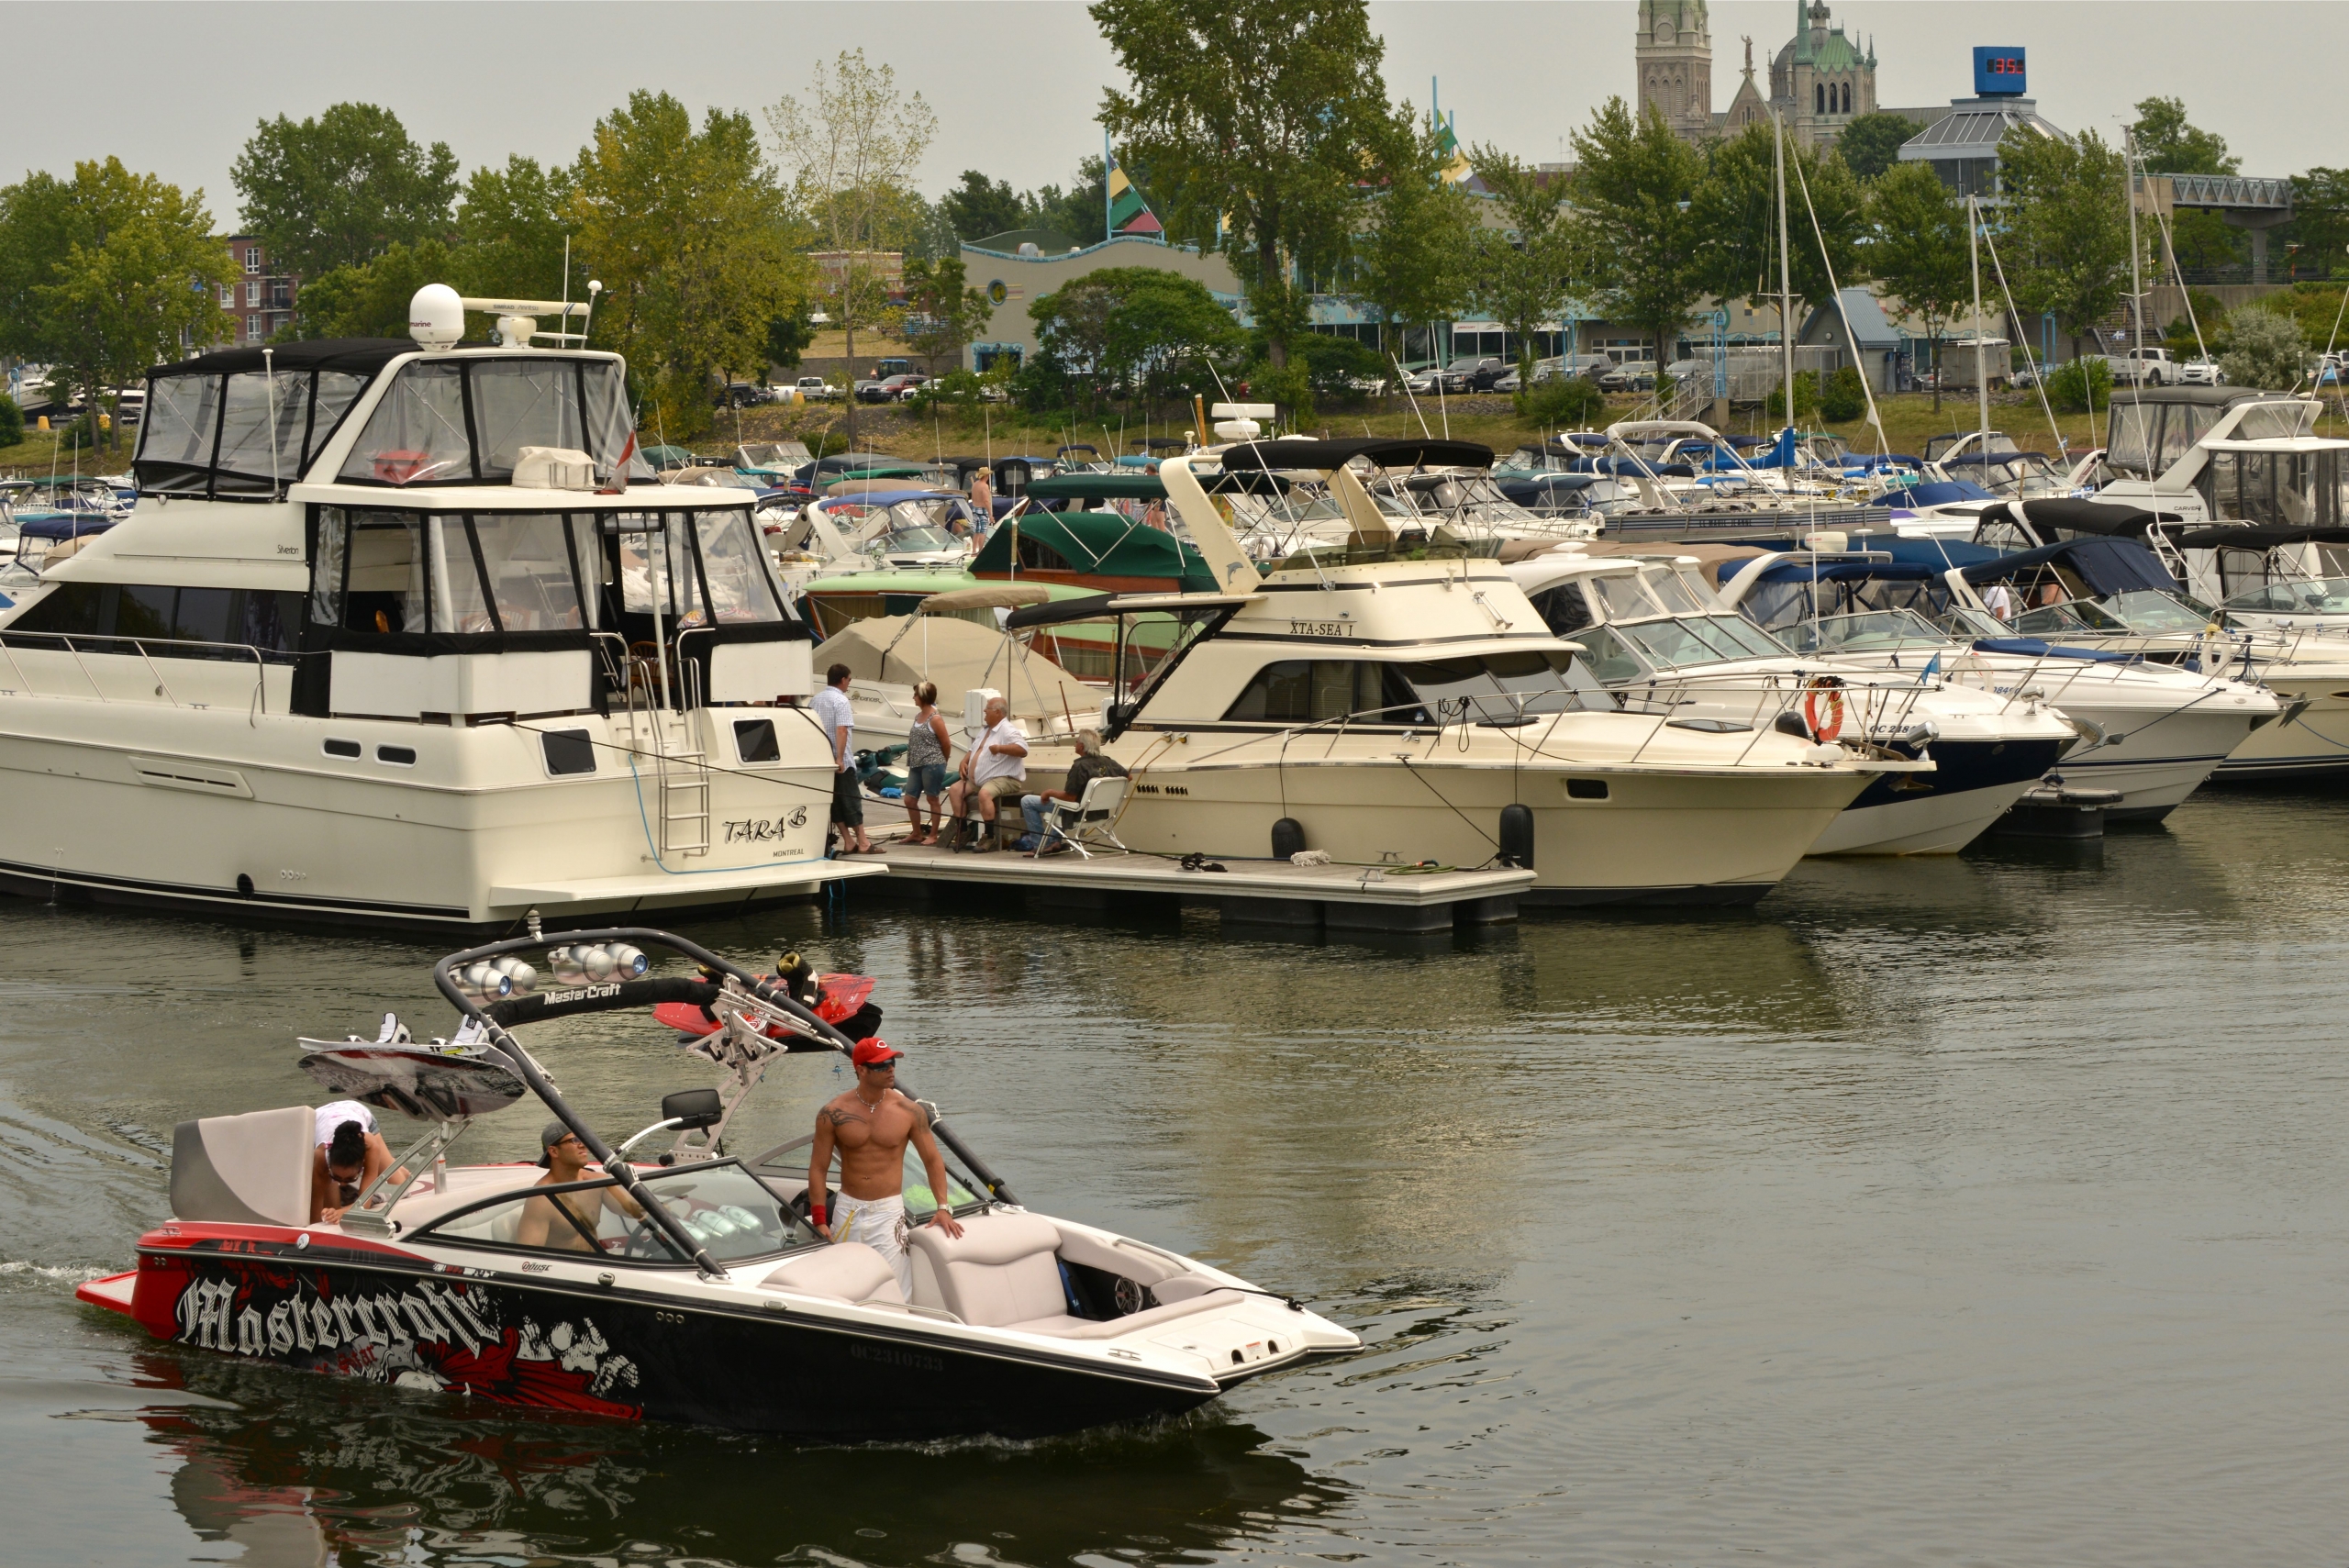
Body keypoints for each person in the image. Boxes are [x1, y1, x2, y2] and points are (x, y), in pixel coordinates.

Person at [807, 1039, 964, 1295]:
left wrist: (943, 1208)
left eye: (892, 1062)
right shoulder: (832, 1112)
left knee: (896, 1288)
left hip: (889, 1212)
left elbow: (933, 1160)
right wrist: (819, 1220)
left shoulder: (910, 1111)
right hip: (848, 1210)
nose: (891, 1069)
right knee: (846, 1287)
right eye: (882, 1065)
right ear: (861, 1070)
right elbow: (818, 1169)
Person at [515, 1123, 647, 1252]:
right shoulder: (542, 1199)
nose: (583, 1145)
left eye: (583, 1139)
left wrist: (659, 1209)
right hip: (566, 1270)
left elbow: (633, 1209)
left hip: (599, 1265)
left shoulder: (596, 1182)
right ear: (554, 1151)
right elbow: (526, 1257)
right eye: (575, 1140)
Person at [1021, 728, 1129, 856]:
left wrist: (1049, 792)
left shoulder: (1080, 767)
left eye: (1076, 742)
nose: (1074, 744)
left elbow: (1070, 797)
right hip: (1100, 814)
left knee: (1027, 801)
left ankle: (1039, 845)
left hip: (1077, 813)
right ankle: (1055, 842)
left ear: (1081, 746)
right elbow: (1129, 777)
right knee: (1060, 802)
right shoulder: (1108, 762)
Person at [944, 695, 1027, 851]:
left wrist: (1000, 748)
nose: (984, 710)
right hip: (979, 779)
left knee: (984, 794)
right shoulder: (986, 730)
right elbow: (974, 749)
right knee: (955, 790)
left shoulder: (1007, 730)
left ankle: (990, 837)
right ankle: (963, 832)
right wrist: (964, 761)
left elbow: (1023, 750)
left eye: (987, 708)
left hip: (1004, 778)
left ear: (997, 712)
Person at [812, 662, 874, 856]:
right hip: (841, 761)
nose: (849, 684)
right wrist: (839, 758)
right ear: (842, 680)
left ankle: (848, 841)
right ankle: (863, 842)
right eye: (848, 680)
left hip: (821, 760)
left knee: (834, 803)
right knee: (852, 800)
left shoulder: (815, 700)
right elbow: (842, 729)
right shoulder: (841, 701)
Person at [310, 1100, 406, 1224]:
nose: (343, 1185)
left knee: (401, 1185)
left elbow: (364, 1203)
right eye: (336, 1177)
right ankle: (336, 1176)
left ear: (362, 1164)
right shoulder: (321, 1156)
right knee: (331, 1208)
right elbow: (314, 1215)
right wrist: (331, 1214)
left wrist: (341, 1213)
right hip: (320, 1117)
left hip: (356, 1111)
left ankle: (397, 1168)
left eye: (350, 1179)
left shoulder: (370, 1146)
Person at [903, 680, 952, 845]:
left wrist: (943, 761)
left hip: (932, 763)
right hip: (916, 764)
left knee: (932, 799)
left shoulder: (935, 718)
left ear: (922, 697)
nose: (913, 697)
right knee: (909, 799)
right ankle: (916, 833)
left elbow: (946, 743)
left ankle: (933, 835)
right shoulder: (918, 715)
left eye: (916, 694)